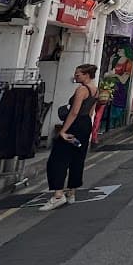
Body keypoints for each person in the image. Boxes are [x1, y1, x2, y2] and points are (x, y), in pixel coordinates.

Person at [41, 64, 97, 212]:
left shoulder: (82, 90)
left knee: (57, 159)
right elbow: (91, 112)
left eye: (78, 74)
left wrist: (63, 131)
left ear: (86, 75)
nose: (75, 76)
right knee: (77, 159)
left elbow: (74, 112)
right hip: (85, 124)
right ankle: (71, 192)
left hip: (75, 124)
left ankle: (58, 195)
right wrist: (87, 129)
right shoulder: (95, 90)